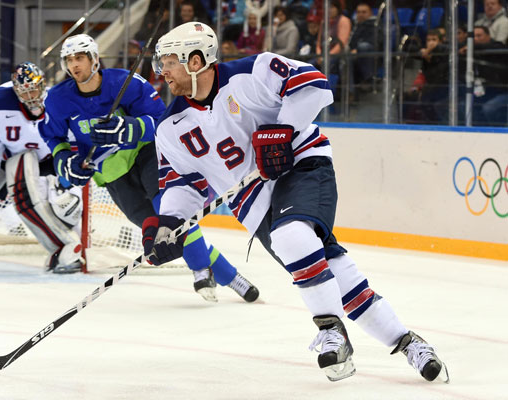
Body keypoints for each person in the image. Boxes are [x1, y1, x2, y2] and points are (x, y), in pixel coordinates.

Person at [148, 21, 449, 382]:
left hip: (301, 165)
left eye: (168, 61)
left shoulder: (253, 71)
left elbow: (313, 85)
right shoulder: (170, 128)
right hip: (253, 202)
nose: (161, 70)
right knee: (333, 271)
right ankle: (406, 341)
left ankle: (329, 330)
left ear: (196, 60)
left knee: (292, 237)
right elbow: (182, 185)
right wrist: (168, 224)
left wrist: (283, 129)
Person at [38, 33, 259, 302]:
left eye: (80, 57)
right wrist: (65, 164)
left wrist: (129, 128)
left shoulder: (124, 83)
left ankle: (212, 273)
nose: (75, 65)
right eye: (69, 60)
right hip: (110, 173)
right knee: (156, 230)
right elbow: (54, 137)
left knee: (170, 216)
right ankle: (219, 272)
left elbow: (162, 119)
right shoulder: (58, 99)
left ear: (94, 59)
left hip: (146, 156)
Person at [0, 62, 86, 273]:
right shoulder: (2, 106)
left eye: (34, 88)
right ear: (16, 90)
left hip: (57, 168)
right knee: (35, 208)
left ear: (43, 85)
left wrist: (62, 172)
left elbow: (74, 145)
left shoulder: (58, 103)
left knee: (67, 208)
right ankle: (66, 251)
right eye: (24, 91)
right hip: (29, 170)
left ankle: (74, 253)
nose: (30, 95)